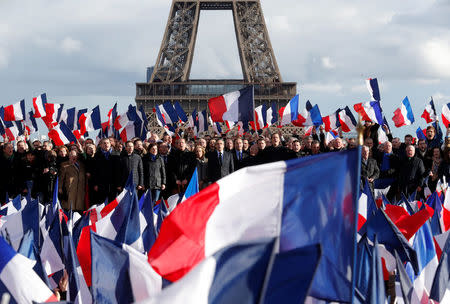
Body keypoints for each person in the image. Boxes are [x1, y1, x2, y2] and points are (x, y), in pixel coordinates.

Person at [92, 138, 122, 204]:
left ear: (110, 144)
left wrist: (119, 184)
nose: (106, 145)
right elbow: (95, 171)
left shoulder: (117, 154)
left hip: (114, 185)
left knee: (112, 205)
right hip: (101, 185)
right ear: (101, 145)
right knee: (101, 205)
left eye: (108, 143)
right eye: (104, 143)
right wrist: (96, 184)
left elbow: (119, 171)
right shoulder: (97, 155)